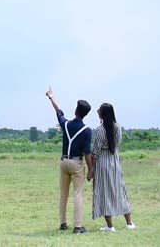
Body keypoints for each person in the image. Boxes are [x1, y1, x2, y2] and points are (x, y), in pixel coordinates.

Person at [45, 86, 93, 234]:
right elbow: (87, 153)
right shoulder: (87, 130)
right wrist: (91, 170)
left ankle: (63, 223)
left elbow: (58, 111)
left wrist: (51, 96)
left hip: (64, 162)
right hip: (77, 163)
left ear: (75, 111)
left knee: (63, 194)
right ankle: (78, 226)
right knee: (77, 194)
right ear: (85, 115)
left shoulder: (65, 124)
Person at [87, 103, 136, 232]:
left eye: (99, 109)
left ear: (103, 113)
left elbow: (95, 152)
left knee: (104, 193)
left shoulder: (100, 130)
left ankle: (110, 226)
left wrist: (91, 170)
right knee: (120, 191)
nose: (97, 111)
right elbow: (117, 145)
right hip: (115, 162)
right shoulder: (118, 128)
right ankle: (129, 222)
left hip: (103, 163)